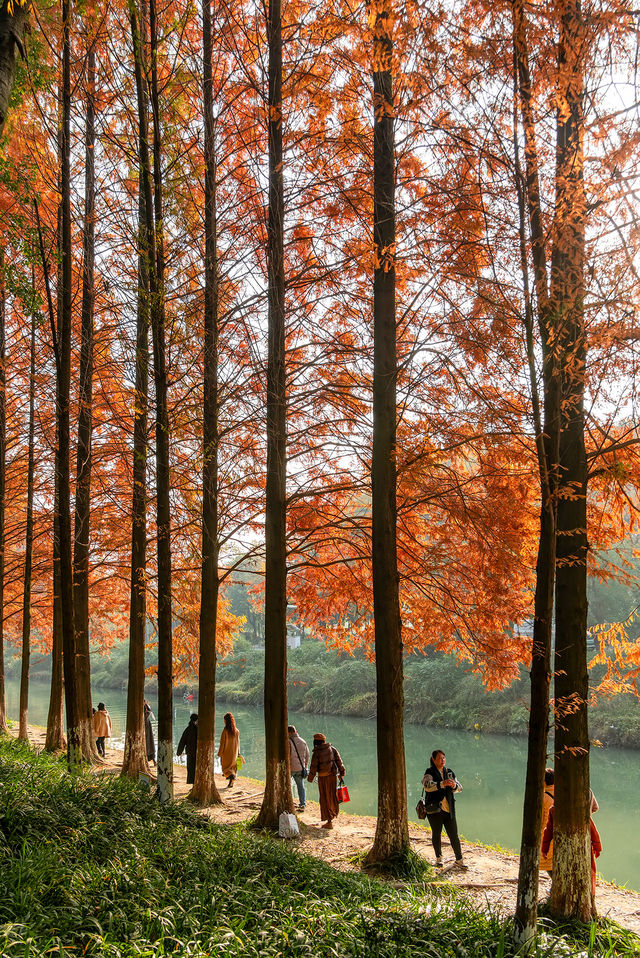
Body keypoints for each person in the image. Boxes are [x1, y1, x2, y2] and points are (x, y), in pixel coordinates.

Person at [542, 805, 602, 915]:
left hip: (570, 849)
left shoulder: (555, 809)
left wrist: (544, 848)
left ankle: (587, 902)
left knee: (585, 874)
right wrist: (597, 846)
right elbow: (593, 828)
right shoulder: (561, 809)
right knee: (587, 874)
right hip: (573, 849)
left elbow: (548, 830)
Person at [422, 748, 467, 870]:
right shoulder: (429, 772)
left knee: (454, 835)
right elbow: (427, 786)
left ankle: (459, 860)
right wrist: (442, 784)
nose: (442, 760)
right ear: (433, 760)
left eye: (443, 758)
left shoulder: (450, 772)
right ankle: (439, 859)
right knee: (436, 834)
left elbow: (460, 788)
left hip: (449, 809)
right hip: (435, 810)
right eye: (439, 758)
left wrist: (453, 785)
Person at [307, 732, 345, 830]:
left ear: (315, 742)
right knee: (332, 796)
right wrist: (341, 773)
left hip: (323, 778)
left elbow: (313, 767)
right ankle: (332, 816)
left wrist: (310, 778)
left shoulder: (317, 753)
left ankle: (329, 821)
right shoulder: (332, 749)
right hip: (332, 777)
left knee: (324, 798)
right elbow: (339, 762)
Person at [288, 725, 310, 811]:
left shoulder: (288, 741)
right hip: (300, 768)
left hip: (290, 768)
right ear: (295, 731)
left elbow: (287, 756)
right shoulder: (303, 741)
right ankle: (302, 804)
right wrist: (305, 766)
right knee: (301, 786)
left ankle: (288, 802)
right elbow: (307, 755)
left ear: (289, 733)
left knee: (288, 786)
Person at [218, 712, 240, 787]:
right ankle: (232, 780)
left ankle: (231, 779)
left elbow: (222, 743)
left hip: (226, 753)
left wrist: (220, 753)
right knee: (232, 768)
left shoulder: (225, 731)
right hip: (234, 753)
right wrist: (238, 753)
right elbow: (238, 743)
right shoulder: (236, 731)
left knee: (225, 768)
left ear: (226, 721)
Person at [539, 767, 555, 873]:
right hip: (561, 835)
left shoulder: (543, 798)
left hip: (547, 836)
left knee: (548, 864)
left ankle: (557, 887)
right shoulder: (564, 793)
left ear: (544, 782)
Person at [177, 713, 198, 784]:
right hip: (196, 752)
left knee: (191, 769)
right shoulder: (198, 729)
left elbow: (182, 741)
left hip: (190, 752)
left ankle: (193, 784)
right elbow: (183, 740)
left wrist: (179, 751)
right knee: (194, 769)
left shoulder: (188, 729)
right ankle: (195, 784)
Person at [144, 700, 156, 765]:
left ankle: (153, 760)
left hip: (146, 727)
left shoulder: (146, 709)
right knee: (150, 744)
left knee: (149, 744)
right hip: (147, 727)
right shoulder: (147, 709)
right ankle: (154, 760)